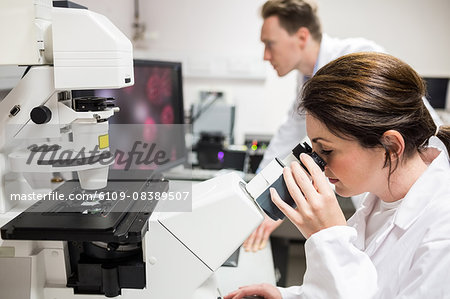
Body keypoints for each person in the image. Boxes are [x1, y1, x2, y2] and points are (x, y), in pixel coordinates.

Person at [225, 52, 450, 298]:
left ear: (392, 147)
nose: (318, 164)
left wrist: (329, 236)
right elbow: (361, 285)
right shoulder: (383, 195)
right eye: (314, 149)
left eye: (327, 150)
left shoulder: (441, 235)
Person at [243, 0, 442, 252]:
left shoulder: (356, 59)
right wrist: (257, 197)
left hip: (406, 192)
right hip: (380, 197)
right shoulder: (308, 79)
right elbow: (287, 135)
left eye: (269, 43)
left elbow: (416, 125)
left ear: (302, 36)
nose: (265, 55)